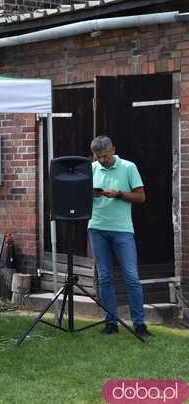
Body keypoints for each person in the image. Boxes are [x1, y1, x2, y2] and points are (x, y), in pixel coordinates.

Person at [88, 135, 150, 338]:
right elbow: (80, 196)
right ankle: (110, 322)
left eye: (105, 156)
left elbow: (141, 197)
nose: (102, 160)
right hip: (97, 227)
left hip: (122, 229)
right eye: (98, 157)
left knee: (131, 277)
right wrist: (91, 194)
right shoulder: (91, 168)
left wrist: (119, 194)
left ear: (113, 149)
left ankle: (139, 324)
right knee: (104, 277)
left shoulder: (129, 167)